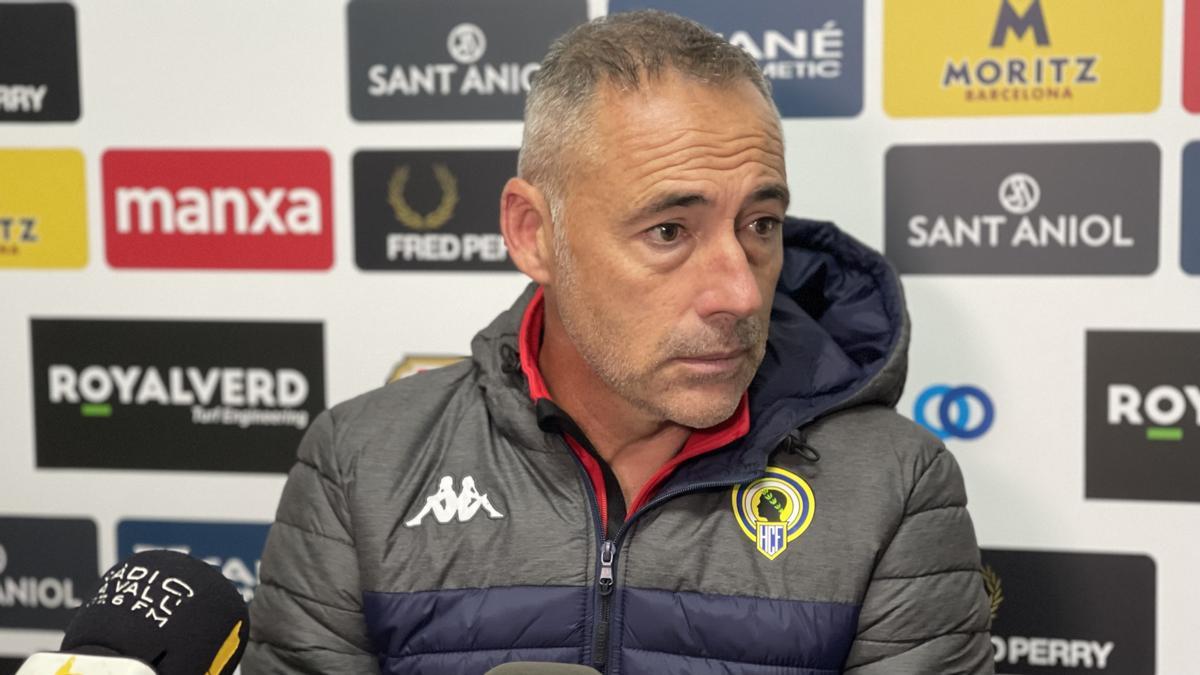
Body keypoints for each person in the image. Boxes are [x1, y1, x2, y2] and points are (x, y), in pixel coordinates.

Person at [244, 10, 994, 674]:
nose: (738, 291)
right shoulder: (362, 466)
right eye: (669, 231)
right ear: (534, 233)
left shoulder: (894, 485)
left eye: (760, 224)